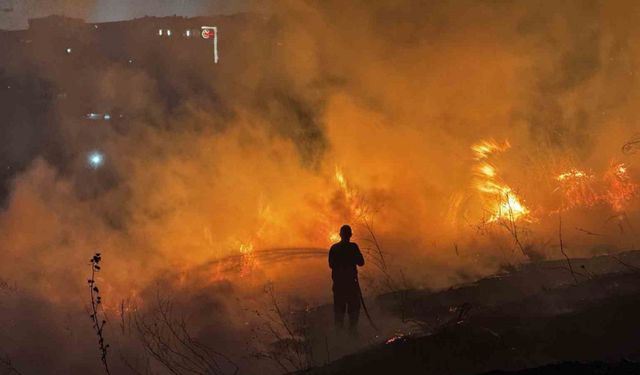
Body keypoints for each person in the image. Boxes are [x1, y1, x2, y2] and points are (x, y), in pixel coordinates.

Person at [328, 224, 365, 331]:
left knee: (339, 313)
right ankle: (352, 335)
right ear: (350, 235)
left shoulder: (334, 248)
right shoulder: (353, 247)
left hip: (339, 286)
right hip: (351, 286)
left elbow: (331, 265)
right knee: (353, 311)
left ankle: (340, 339)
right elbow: (361, 262)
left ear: (340, 235)